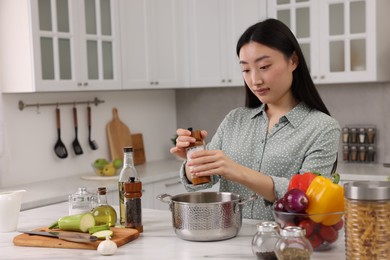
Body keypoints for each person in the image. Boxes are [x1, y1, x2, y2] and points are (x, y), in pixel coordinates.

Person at [170, 18, 341, 220]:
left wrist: (237, 171)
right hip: (228, 238)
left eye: (264, 66)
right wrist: (194, 159)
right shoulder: (235, 120)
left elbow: (309, 198)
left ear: (293, 61)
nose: (255, 80)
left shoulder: (323, 128)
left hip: (287, 243)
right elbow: (204, 181)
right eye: (246, 69)